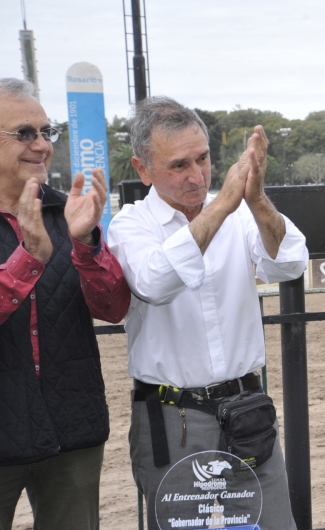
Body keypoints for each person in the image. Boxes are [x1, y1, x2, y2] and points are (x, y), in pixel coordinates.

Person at [107, 97, 308, 530]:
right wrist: (224, 205)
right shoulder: (131, 224)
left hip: (248, 413)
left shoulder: (241, 212)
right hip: (173, 419)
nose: (197, 177)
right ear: (142, 169)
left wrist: (255, 200)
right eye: (179, 165)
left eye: (203, 159)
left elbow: (290, 262)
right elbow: (155, 282)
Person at [0, 78, 130, 529]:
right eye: (24, 133)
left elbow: (113, 307)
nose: (41, 144)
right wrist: (27, 260)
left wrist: (86, 244)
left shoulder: (67, 212)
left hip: (71, 430)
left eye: (46, 131)